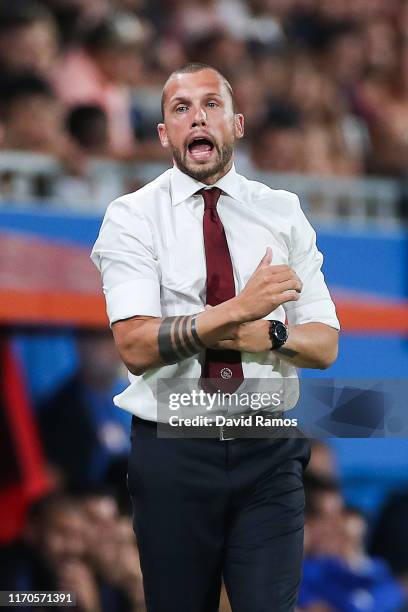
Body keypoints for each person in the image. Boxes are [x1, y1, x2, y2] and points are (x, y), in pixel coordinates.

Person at [91, 62, 340, 612]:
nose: (196, 117)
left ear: (237, 124)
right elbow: (133, 345)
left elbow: (323, 343)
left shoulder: (283, 211)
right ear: (164, 133)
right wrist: (235, 312)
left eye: (211, 105)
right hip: (173, 449)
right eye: (180, 109)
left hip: (268, 449)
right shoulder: (131, 218)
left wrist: (269, 333)